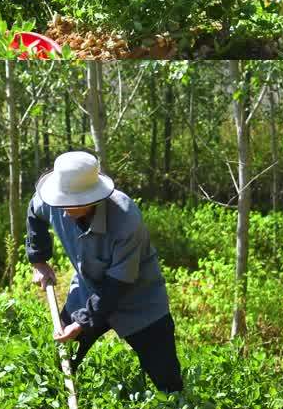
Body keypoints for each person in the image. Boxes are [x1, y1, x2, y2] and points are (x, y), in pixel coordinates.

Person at [26, 150, 183, 393]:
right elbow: (34, 211)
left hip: (139, 300)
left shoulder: (126, 218)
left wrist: (83, 322)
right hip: (87, 292)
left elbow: (118, 284)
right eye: (61, 203)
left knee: (168, 381)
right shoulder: (55, 200)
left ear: (92, 200)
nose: (63, 212)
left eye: (72, 205)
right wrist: (39, 260)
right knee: (61, 362)